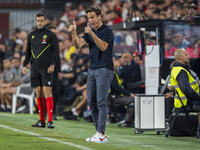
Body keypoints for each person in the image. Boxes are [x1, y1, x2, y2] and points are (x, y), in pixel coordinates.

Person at [68, 6, 114, 143]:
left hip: (105, 69)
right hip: (92, 69)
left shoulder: (107, 31)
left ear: (100, 16)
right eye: (89, 18)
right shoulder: (89, 31)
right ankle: (98, 134)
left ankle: (101, 133)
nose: (91, 20)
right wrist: (73, 33)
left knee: (101, 101)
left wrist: (92, 34)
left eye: (93, 17)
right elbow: (78, 45)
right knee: (91, 102)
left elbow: (104, 47)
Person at [22, 13, 59, 129]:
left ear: (45, 21)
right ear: (35, 21)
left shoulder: (51, 35)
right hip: (34, 68)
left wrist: (53, 65)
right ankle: (41, 121)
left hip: (46, 68)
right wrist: (24, 64)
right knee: (38, 93)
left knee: (48, 92)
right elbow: (28, 51)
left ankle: (50, 121)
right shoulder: (31, 35)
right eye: (38, 21)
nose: (39, 23)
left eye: (42, 21)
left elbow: (55, 52)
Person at [170, 49, 200, 130]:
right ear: (181, 58)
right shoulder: (181, 71)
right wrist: (198, 97)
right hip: (186, 103)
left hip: (185, 101)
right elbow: (186, 89)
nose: (189, 56)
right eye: (186, 55)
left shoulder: (178, 69)